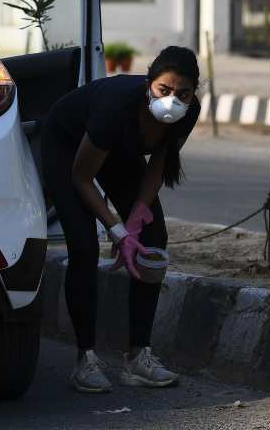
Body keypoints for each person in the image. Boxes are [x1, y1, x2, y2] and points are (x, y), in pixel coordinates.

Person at [41, 46, 201, 393]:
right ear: (149, 85)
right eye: (164, 90)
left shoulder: (188, 113)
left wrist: (138, 214)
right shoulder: (117, 106)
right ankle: (85, 359)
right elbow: (82, 177)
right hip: (68, 147)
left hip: (117, 151)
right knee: (84, 246)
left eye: (183, 94)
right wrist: (116, 229)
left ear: (193, 93)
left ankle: (138, 356)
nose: (172, 101)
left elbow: (161, 160)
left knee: (154, 237)